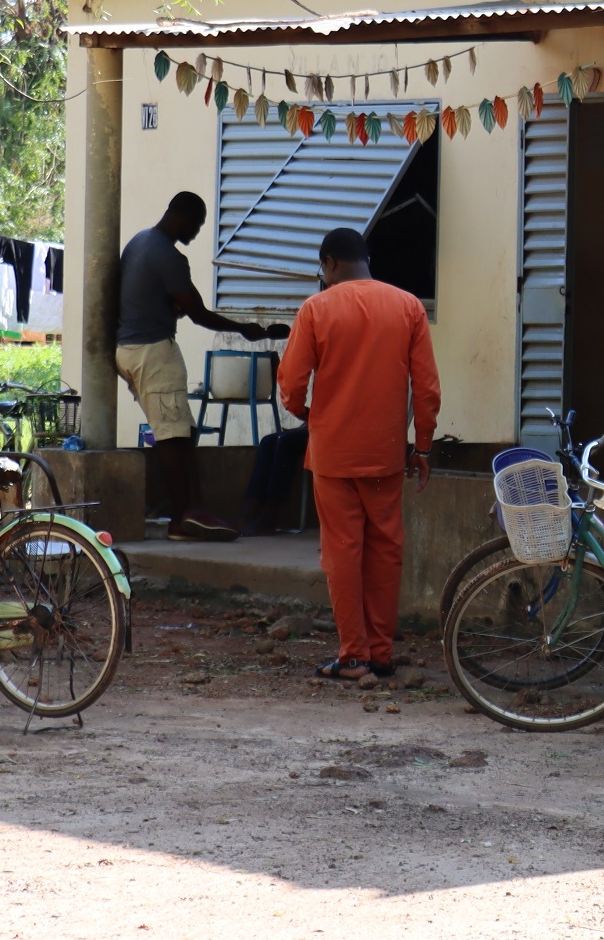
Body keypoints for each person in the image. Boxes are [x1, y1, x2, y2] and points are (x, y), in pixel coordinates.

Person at [277, 227, 440, 680]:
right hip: (386, 453)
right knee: (385, 550)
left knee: (342, 553)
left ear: (328, 263)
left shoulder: (316, 308)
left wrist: (309, 414)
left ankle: (354, 655)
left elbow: (291, 384)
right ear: (365, 258)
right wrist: (422, 445)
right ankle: (381, 653)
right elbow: (427, 386)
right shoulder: (408, 306)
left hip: (333, 453)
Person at [116, 191, 282, 542]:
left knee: (182, 432)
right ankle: (182, 519)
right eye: (198, 224)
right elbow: (199, 314)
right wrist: (244, 329)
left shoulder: (139, 242)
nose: (197, 231)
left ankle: (185, 507)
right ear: (184, 217)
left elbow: (147, 297)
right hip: (152, 353)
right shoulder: (169, 256)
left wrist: (167, 306)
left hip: (128, 349)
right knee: (173, 437)